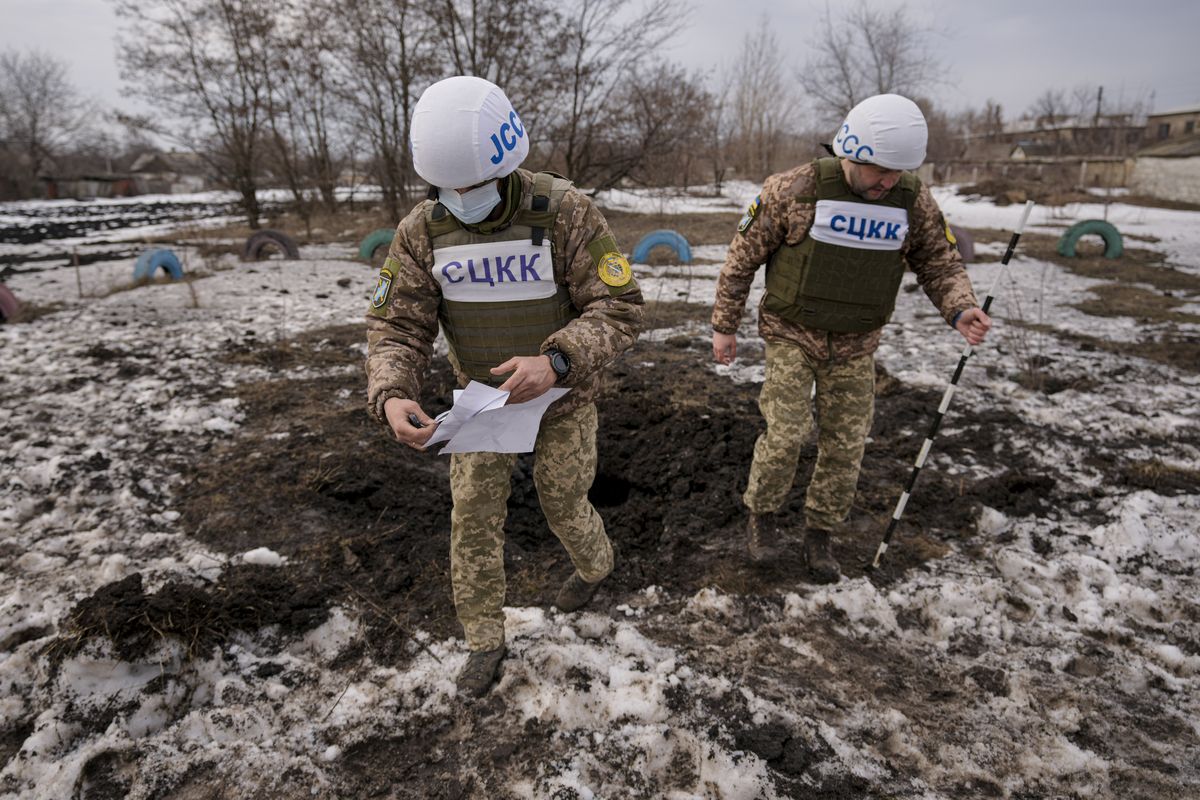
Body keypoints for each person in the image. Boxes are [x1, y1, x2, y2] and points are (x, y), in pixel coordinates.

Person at [365, 76, 644, 697]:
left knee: (561, 499)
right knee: (473, 517)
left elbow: (620, 307)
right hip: (483, 402)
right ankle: (484, 641)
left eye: (473, 186)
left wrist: (558, 361)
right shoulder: (422, 231)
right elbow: (396, 325)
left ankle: (596, 566)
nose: (461, 198)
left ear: (505, 163)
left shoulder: (565, 214)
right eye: (449, 188)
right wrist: (392, 391)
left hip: (563, 396)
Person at [711, 93, 991, 583]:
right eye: (879, 170)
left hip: (857, 343)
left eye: (896, 173)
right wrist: (724, 326)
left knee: (845, 446)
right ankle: (763, 518)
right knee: (787, 435)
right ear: (852, 151)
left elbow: (939, 261)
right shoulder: (793, 190)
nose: (887, 182)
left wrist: (960, 308)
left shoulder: (911, 200)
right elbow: (741, 260)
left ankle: (820, 533)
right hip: (791, 333)